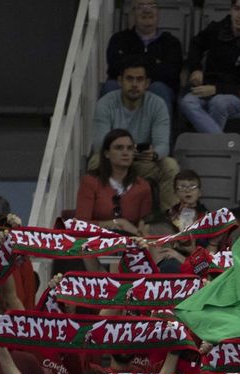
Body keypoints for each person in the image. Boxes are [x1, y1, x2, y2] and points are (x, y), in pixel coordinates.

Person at [92, 57, 180, 211]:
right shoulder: (105, 104)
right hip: (113, 163)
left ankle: (167, 221)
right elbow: (100, 145)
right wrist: (122, 153)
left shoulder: (157, 104)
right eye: (129, 79)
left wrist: (153, 154)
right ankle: (102, 215)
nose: (134, 84)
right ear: (120, 81)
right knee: (95, 162)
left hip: (144, 162)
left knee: (170, 166)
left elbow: (163, 146)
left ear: (147, 83)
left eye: (139, 80)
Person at [183, 0, 240, 134]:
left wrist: (216, 89)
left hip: (238, 95)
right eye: (237, 9)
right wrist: (196, 69)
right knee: (187, 102)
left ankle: (214, 147)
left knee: (218, 103)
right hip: (208, 87)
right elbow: (196, 44)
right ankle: (220, 145)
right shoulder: (216, 29)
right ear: (231, 9)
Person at [104, 0, 185, 105]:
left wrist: (133, 64)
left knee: (158, 88)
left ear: (158, 12)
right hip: (125, 86)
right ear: (133, 13)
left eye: (152, 5)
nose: (147, 10)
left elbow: (171, 73)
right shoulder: (118, 39)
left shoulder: (171, 42)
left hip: (157, 88)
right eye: (141, 6)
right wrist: (154, 63)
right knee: (110, 86)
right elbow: (114, 69)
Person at [77, 129, 154, 236]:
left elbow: (145, 226)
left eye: (130, 148)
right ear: (107, 153)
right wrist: (117, 223)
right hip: (96, 243)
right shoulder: (90, 182)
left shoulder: (143, 186)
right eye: (119, 148)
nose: (125, 153)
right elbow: (80, 225)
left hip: (131, 245)